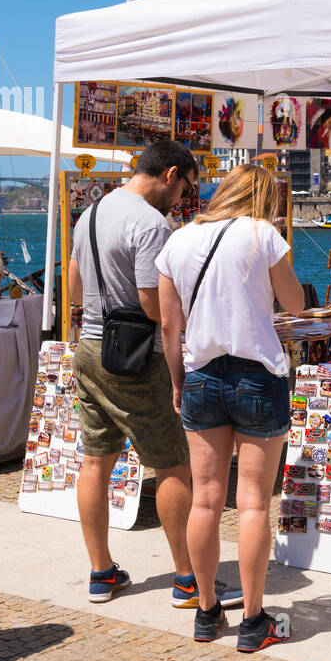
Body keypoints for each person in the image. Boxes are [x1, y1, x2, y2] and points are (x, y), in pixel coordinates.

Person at [156, 163, 303, 651]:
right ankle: (254, 621)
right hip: (257, 375)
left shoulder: (178, 240)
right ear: (263, 197)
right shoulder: (262, 234)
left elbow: (168, 327)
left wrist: (178, 382)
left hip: (200, 375)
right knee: (255, 502)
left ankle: (205, 614)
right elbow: (295, 302)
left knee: (205, 500)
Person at [67, 140, 203, 607]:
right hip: (134, 356)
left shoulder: (92, 212)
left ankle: (101, 572)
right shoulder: (151, 224)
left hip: (89, 346)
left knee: (95, 461)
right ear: (170, 174)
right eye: (185, 187)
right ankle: (188, 579)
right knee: (172, 462)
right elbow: (153, 305)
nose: (183, 198)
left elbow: (75, 281)